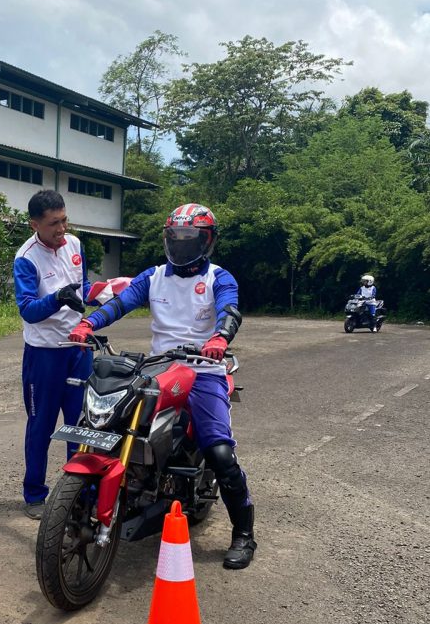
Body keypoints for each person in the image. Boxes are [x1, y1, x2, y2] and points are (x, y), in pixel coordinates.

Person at [69, 203, 256, 569]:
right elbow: (121, 303)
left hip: (204, 369)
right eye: (177, 238)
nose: (182, 245)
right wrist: (88, 325)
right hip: (159, 369)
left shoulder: (220, 277)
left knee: (218, 452)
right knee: (109, 423)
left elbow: (229, 309)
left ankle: (244, 534)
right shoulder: (154, 276)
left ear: (209, 241)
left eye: (191, 239)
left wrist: (219, 337)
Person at [13, 189, 93, 520]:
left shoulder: (75, 245)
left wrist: (108, 292)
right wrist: (58, 298)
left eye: (64, 220)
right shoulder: (26, 258)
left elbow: (84, 287)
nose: (61, 229)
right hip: (45, 354)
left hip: (78, 350)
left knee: (83, 425)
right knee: (41, 425)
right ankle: (35, 495)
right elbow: (28, 309)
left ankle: (79, 493)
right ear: (35, 224)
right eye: (53, 224)